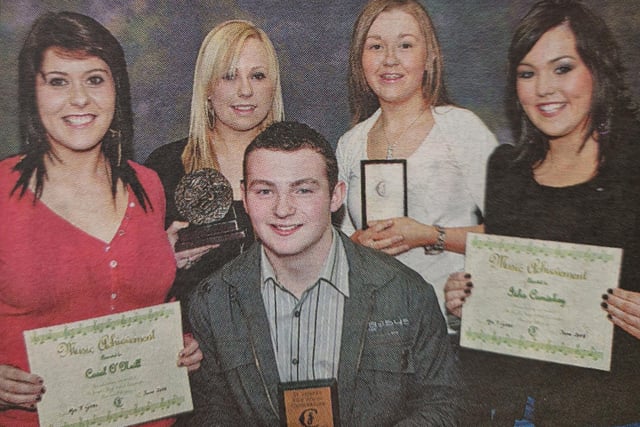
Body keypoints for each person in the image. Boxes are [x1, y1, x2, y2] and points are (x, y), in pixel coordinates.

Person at [187, 121, 462, 425]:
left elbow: (442, 404)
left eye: (303, 190)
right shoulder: (212, 302)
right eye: (265, 191)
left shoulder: (405, 293)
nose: (282, 209)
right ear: (245, 197)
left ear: (336, 196)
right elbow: (211, 412)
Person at [0, 12, 201, 427]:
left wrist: (177, 347)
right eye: (58, 81)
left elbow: (145, 303)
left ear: (116, 89)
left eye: (94, 79)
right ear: (32, 94)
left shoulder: (148, 186)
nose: (79, 99)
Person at [444, 0, 640, 424]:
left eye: (562, 68)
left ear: (598, 68)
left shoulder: (636, 167)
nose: (544, 88)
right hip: (517, 412)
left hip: (616, 411)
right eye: (527, 73)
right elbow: (506, 291)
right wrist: (471, 298)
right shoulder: (505, 171)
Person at [336, 0, 497, 327]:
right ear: (360, 60)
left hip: (448, 331)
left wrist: (429, 235)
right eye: (376, 46)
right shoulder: (350, 143)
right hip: (374, 332)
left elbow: (513, 236)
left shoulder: (461, 128)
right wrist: (357, 244)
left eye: (405, 45)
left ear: (430, 56)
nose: (390, 59)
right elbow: (339, 245)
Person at [145, 20, 284, 328]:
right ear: (207, 87)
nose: (245, 90)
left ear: (272, 86)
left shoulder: (299, 163)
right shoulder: (164, 168)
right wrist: (161, 262)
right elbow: (136, 286)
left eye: (257, 76)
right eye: (229, 76)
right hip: (195, 357)